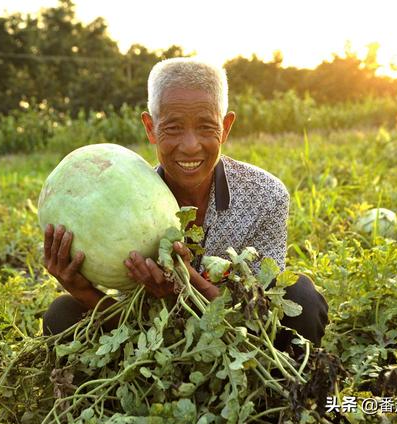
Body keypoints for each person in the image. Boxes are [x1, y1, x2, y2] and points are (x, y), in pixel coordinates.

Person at [42, 58, 328, 352]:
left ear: (226, 127)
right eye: (174, 128)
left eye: (206, 127)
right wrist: (80, 289)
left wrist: (188, 287)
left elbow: (260, 312)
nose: (190, 145)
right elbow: (130, 326)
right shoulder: (123, 206)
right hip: (154, 349)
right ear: (151, 128)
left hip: (242, 350)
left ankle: (281, 395)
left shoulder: (266, 196)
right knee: (62, 315)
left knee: (300, 297)